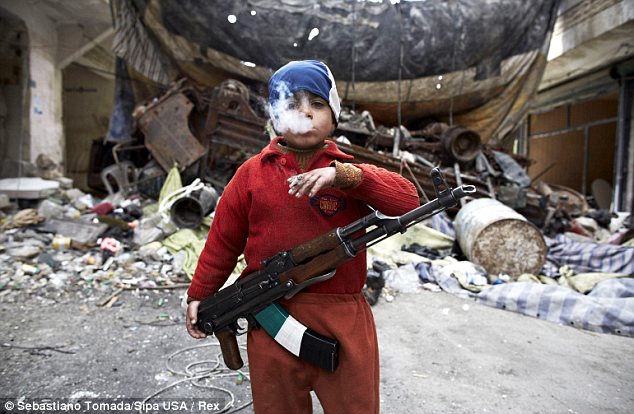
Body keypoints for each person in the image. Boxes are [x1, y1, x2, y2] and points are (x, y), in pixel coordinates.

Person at [185, 60, 419, 413]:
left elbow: (407, 201)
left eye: (317, 104)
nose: (305, 114)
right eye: (292, 104)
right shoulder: (250, 174)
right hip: (271, 314)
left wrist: (344, 177)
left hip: (342, 316)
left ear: (334, 115)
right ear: (275, 115)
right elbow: (223, 240)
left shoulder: (348, 170)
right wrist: (199, 294)